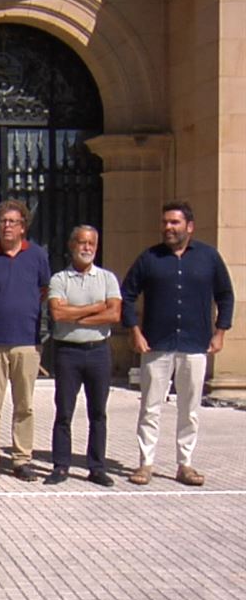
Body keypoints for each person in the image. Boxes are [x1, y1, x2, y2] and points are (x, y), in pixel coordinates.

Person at [121, 201, 234, 486]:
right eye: (165, 222)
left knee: (190, 409)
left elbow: (226, 295)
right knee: (150, 407)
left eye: (174, 222)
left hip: (195, 344)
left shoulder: (208, 257)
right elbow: (127, 294)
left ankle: (185, 464)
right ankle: (145, 463)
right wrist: (134, 331)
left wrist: (220, 332)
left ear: (189, 227)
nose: (168, 227)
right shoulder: (150, 258)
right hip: (156, 344)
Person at [0, 200, 50, 482]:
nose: (7, 226)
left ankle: (21, 459)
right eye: (2, 221)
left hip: (26, 341)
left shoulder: (38, 256)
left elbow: (43, 291)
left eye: (13, 222)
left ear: (23, 226)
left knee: (24, 405)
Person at [44, 226, 121, 487]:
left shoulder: (108, 279)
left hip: (98, 351)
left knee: (97, 412)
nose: (86, 248)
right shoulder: (59, 279)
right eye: (81, 242)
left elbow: (114, 315)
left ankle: (96, 467)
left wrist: (77, 313)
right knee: (64, 411)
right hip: (68, 352)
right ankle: (61, 465)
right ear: (71, 245)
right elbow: (58, 315)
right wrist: (97, 308)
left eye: (91, 243)